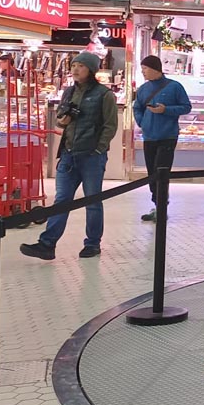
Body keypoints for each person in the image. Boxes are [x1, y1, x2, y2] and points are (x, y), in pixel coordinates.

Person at [20, 53, 118, 260]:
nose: (75, 69)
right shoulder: (68, 92)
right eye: (74, 65)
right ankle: (47, 244)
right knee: (62, 200)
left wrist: (99, 149)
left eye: (81, 66)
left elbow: (110, 126)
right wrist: (65, 119)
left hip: (91, 156)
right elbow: (60, 123)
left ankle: (92, 244)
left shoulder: (104, 94)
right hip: (68, 154)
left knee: (92, 201)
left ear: (91, 70)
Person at [132, 55, 192, 222]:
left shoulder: (174, 87)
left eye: (145, 68)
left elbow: (186, 107)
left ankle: (162, 208)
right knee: (152, 173)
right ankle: (157, 205)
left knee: (162, 171)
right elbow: (136, 107)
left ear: (154, 69)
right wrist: (142, 122)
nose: (143, 72)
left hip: (168, 136)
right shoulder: (144, 89)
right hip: (149, 136)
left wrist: (166, 110)